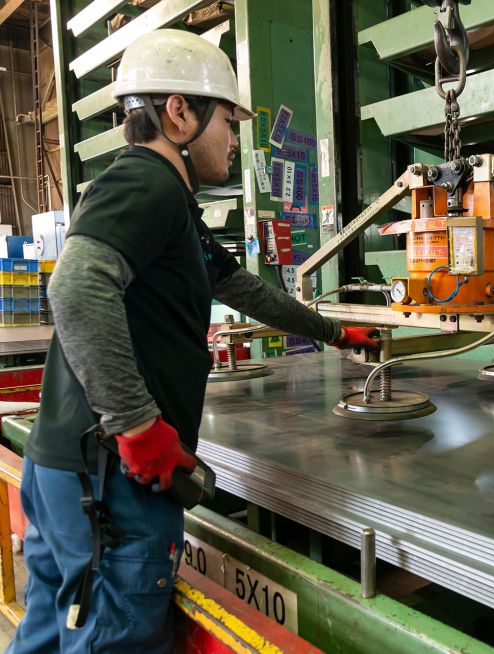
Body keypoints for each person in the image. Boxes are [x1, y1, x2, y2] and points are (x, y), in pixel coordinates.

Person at [7, 29, 377, 653]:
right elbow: (74, 288)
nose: (235, 141)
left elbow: (243, 290)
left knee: (48, 632)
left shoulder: (170, 206)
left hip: (68, 472)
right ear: (179, 112)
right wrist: (139, 426)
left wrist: (337, 331)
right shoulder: (146, 184)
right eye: (228, 122)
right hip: (113, 484)